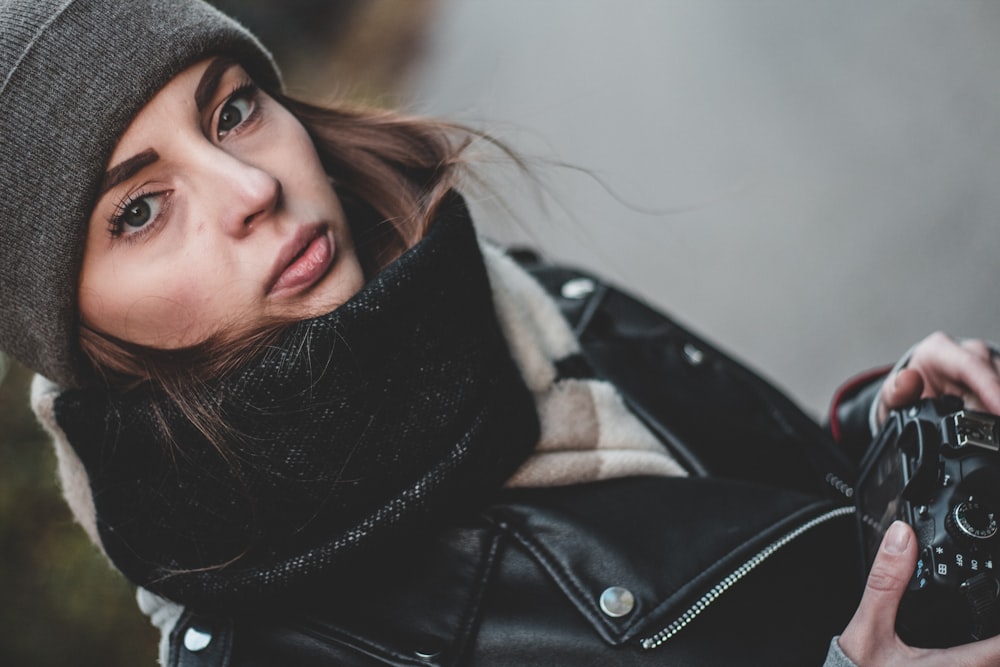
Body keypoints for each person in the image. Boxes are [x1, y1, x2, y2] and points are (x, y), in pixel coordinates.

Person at [2, 1, 1000, 664]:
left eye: (231, 109)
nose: (254, 187)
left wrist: (885, 437)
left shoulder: (506, 292)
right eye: (138, 210)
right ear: (80, 335)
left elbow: (746, 522)